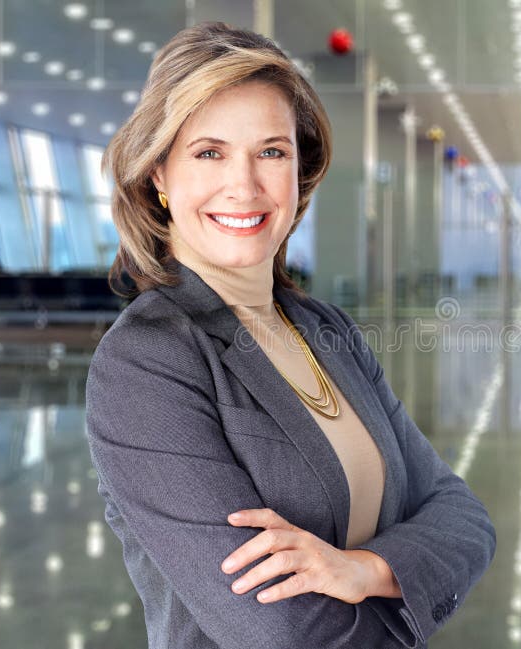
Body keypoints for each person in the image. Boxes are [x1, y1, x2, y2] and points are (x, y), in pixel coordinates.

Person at [85, 21, 496, 649]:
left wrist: (368, 569)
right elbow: (276, 629)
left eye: (271, 151)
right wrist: (407, 581)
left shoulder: (325, 329)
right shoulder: (148, 361)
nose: (244, 185)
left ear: (300, 171)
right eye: (209, 152)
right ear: (159, 174)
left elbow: (461, 512)